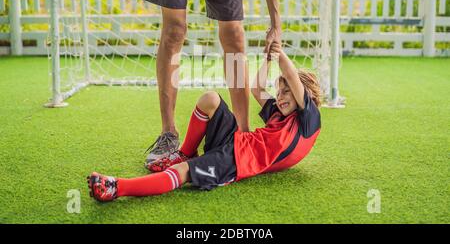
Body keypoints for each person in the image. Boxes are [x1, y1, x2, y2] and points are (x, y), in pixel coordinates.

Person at [87, 41, 321, 202]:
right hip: (238, 140)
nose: (280, 97)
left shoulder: (308, 121)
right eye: (279, 92)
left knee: (182, 172)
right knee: (210, 99)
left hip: (236, 162)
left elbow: (291, 76)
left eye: (287, 92)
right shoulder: (279, 114)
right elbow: (256, 88)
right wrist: (269, 59)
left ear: (304, 96)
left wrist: (279, 50)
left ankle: (116, 187)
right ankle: (185, 151)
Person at [142, 0, 282, 167]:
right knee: (174, 29)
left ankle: (242, 132)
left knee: (234, 36)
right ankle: (168, 133)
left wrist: (276, 23)